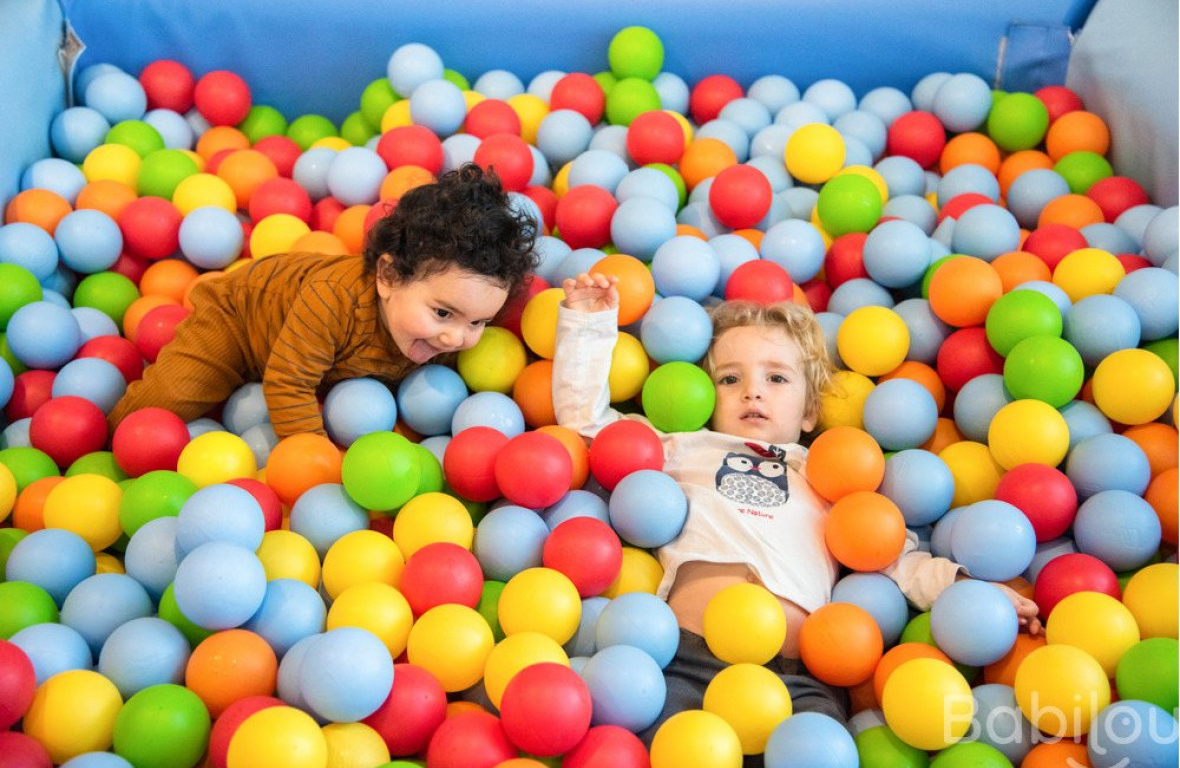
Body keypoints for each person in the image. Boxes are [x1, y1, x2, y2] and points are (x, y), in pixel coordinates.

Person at [552, 271, 1042, 755]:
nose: (752, 391)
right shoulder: (685, 447)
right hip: (685, 656)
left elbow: (892, 557)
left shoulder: (828, 474)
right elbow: (588, 423)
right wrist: (588, 325)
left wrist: (966, 590)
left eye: (777, 377)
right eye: (729, 378)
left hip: (797, 674)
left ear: (810, 411)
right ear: (704, 393)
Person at [108, 163, 537, 439]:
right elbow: (288, 384)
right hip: (239, 323)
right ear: (388, 276)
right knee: (163, 408)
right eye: (443, 313)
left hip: (309, 352)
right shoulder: (332, 302)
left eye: (477, 323)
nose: (455, 336)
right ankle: (110, 435)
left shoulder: (436, 326)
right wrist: (318, 465)